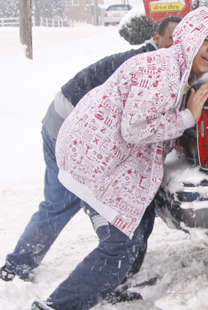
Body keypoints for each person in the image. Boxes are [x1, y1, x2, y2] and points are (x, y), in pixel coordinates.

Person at [31, 7, 208, 310]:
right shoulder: (164, 68)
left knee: (139, 221)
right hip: (94, 157)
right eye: (205, 39)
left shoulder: (178, 69)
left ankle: (112, 285)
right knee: (119, 246)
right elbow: (136, 129)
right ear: (189, 38)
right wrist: (187, 118)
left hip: (106, 154)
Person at [0, 16, 182, 283]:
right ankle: (20, 266)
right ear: (157, 39)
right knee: (73, 201)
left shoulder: (160, 65)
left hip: (70, 122)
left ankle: (24, 264)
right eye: (171, 39)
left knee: (74, 202)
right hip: (65, 128)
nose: (176, 46)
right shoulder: (148, 67)